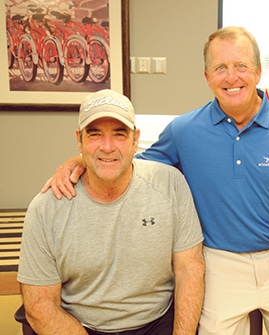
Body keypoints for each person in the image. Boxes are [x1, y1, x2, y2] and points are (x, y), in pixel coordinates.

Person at [42, 27, 269, 335]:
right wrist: (82, 161)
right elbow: (125, 163)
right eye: (220, 68)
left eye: (241, 66)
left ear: (258, 72)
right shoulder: (184, 131)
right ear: (207, 77)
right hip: (219, 261)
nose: (231, 77)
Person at [18, 89, 205, 335]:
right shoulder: (46, 208)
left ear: (135, 140)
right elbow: (40, 304)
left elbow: (189, 269)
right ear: (79, 140)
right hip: (78, 325)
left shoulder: (170, 184)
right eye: (95, 135)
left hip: (156, 322)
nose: (107, 147)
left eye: (119, 135)